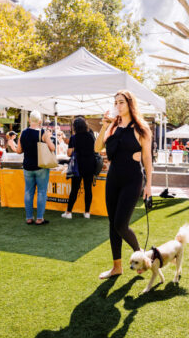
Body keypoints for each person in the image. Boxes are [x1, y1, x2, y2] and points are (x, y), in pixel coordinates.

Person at [94, 90, 152, 280]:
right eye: (115, 102)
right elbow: (97, 148)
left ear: (130, 104)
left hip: (132, 179)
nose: (118, 106)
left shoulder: (141, 128)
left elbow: (147, 158)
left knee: (121, 224)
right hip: (113, 178)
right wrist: (104, 126)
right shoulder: (112, 126)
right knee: (113, 224)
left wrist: (149, 186)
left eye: (121, 102)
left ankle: (141, 255)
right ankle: (116, 267)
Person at [15, 110, 55, 225]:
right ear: (40, 121)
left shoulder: (23, 133)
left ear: (29, 120)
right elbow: (52, 148)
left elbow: (19, 150)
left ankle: (29, 218)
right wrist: (49, 137)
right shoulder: (42, 133)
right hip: (41, 166)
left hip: (27, 166)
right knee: (42, 192)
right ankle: (39, 218)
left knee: (28, 192)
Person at [62, 117, 96, 219]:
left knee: (75, 189)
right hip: (90, 165)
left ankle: (68, 212)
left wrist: (75, 148)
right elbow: (95, 149)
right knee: (88, 189)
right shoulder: (91, 136)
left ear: (75, 127)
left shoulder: (74, 137)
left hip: (78, 166)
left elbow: (69, 153)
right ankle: (87, 212)